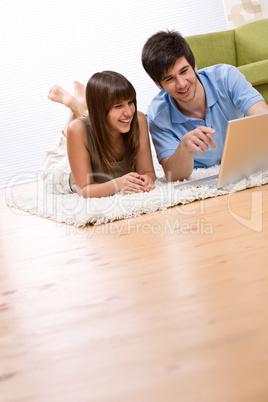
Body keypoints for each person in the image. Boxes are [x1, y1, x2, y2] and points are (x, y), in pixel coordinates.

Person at [141, 30, 268, 182]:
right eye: (169, 79)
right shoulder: (156, 116)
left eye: (184, 71)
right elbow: (172, 176)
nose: (182, 84)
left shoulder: (226, 76)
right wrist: (184, 147)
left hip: (247, 158)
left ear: (194, 65)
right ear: (158, 85)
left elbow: (263, 117)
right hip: (206, 177)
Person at [41, 71, 156, 198]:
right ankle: (76, 107)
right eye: (118, 106)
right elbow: (84, 190)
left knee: (86, 127)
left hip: (90, 134)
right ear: (98, 110)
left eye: (130, 102)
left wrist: (146, 179)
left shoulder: (138, 120)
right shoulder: (77, 129)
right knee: (60, 151)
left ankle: (79, 105)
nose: (129, 112)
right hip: (65, 171)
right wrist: (118, 184)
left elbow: (147, 171)